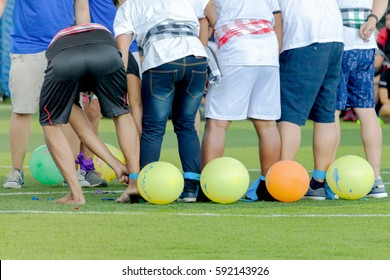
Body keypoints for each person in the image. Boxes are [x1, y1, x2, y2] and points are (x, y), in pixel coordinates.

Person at [113, 0, 208, 203]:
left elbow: (122, 48)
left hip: (162, 59)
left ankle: (146, 186)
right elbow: (206, 16)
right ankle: (191, 189)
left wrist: (119, 78)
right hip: (197, 57)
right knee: (187, 125)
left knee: (153, 128)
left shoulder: (128, 5)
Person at [39, 23, 140, 204]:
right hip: (105, 53)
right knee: (122, 113)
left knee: (50, 123)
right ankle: (134, 183)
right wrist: (116, 165)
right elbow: (85, 132)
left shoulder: (66, 75)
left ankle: (76, 195)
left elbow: (83, 132)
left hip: (65, 58)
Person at [1, 0, 90, 189]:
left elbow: (81, 8)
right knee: (22, 109)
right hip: (26, 47)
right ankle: (16, 171)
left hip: (65, 48)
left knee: (69, 111)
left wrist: (82, 46)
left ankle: (72, 171)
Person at [201, 0, 283, 201]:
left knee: (218, 122)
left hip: (236, 46)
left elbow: (205, 9)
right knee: (267, 123)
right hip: (268, 48)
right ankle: (268, 186)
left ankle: (208, 186)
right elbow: (278, 19)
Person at [68, 0, 142, 188]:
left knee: (133, 108)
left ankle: (139, 168)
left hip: (128, 47)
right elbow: (82, 9)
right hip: (97, 47)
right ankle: (86, 167)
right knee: (92, 111)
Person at [277, 0, 344, 200]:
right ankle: (318, 182)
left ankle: (282, 180)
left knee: (289, 114)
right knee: (325, 114)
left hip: (304, 37)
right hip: (334, 36)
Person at [335, 0, 388, 199]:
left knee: (332, 111)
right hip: (365, 44)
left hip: (339, 41)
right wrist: (373, 19)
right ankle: (376, 180)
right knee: (366, 110)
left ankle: (324, 181)